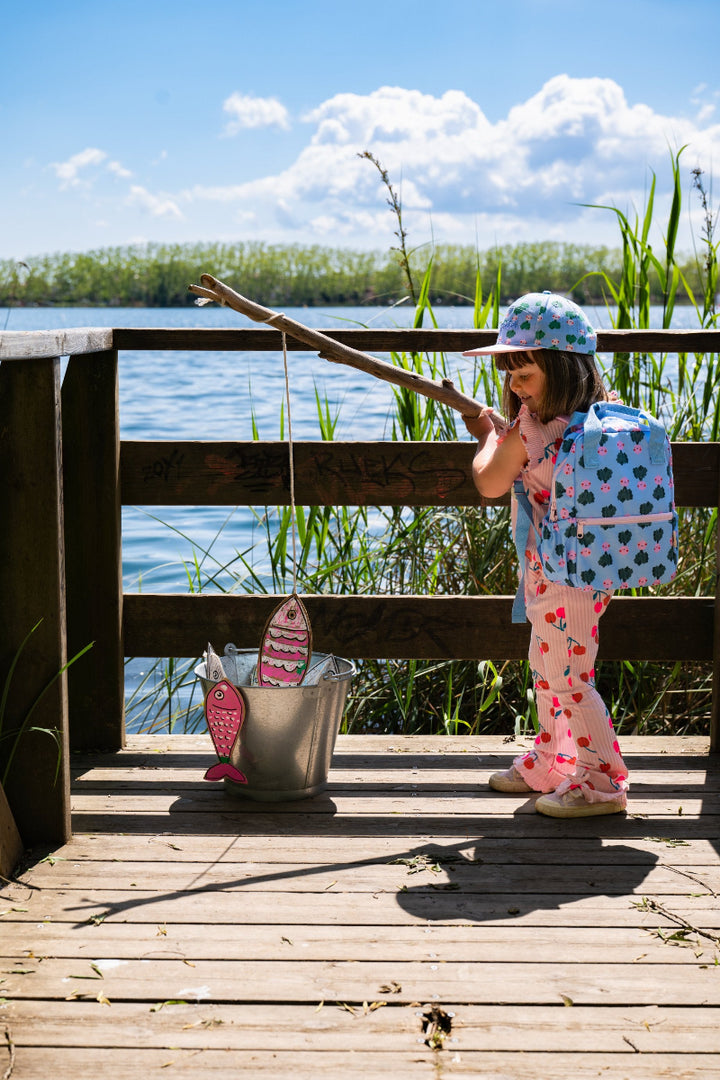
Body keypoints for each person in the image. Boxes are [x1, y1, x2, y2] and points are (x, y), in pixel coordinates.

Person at [462, 291, 628, 818]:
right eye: (509, 371)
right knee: (548, 664)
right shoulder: (597, 419)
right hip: (583, 572)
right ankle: (556, 759)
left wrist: (491, 434)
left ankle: (602, 782)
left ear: (560, 370)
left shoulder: (533, 428)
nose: (514, 384)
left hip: (560, 577)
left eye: (524, 372)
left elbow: (489, 481)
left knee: (568, 676)